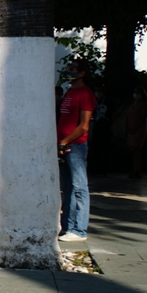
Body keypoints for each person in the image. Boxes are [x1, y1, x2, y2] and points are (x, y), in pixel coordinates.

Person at [57, 59, 96, 241]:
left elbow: (84, 125)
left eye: (73, 69)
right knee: (67, 188)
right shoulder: (70, 92)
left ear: (82, 73)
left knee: (79, 187)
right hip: (64, 146)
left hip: (75, 146)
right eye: (68, 68)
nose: (69, 71)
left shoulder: (85, 94)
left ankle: (79, 230)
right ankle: (67, 226)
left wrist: (65, 141)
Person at [126, 87, 147, 179]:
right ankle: (136, 170)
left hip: (138, 130)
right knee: (133, 150)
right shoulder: (134, 104)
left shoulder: (143, 104)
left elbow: (142, 118)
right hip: (131, 129)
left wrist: (135, 128)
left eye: (138, 93)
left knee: (136, 149)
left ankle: (138, 171)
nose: (136, 94)